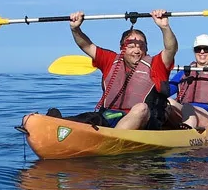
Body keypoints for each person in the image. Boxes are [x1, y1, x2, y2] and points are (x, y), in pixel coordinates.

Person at [51, 9, 179, 130]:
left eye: (141, 46)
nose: (136, 50)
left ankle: (111, 139)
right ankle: (55, 124)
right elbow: (86, 45)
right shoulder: (110, 60)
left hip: (144, 122)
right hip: (110, 116)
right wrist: (75, 29)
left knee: (141, 108)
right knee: (91, 117)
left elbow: (171, 49)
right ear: (122, 48)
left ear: (146, 48)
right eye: (131, 46)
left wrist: (165, 27)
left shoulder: (156, 64)